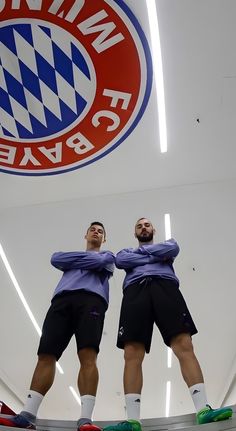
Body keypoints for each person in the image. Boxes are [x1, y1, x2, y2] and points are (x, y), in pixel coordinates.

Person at [104, 218, 232, 431]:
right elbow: (121, 261)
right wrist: (154, 254)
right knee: (131, 353)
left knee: (184, 344)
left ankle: (203, 410)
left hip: (166, 288)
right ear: (135, 234)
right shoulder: (128, 251)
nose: (143, 227)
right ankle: (132, 421)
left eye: (147, 225)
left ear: (154, 229)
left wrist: (142, 256)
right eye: (139, 226)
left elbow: (173, 248)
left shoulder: (168, 245)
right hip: (135, 292)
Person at [0, 222, 115, 431]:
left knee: (88, 355)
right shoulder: (95, 259)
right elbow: (56, 258)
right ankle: (28, 415)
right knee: (46, 354)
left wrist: (74, 261)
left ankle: (86, 419)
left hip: (92, 301)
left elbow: (102, 260)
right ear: (86, 234)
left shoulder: (107, 258)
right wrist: (91, 261)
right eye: (93, 230)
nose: (96, 232)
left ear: (104, 239)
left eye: (100, 231)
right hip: (61, 302)